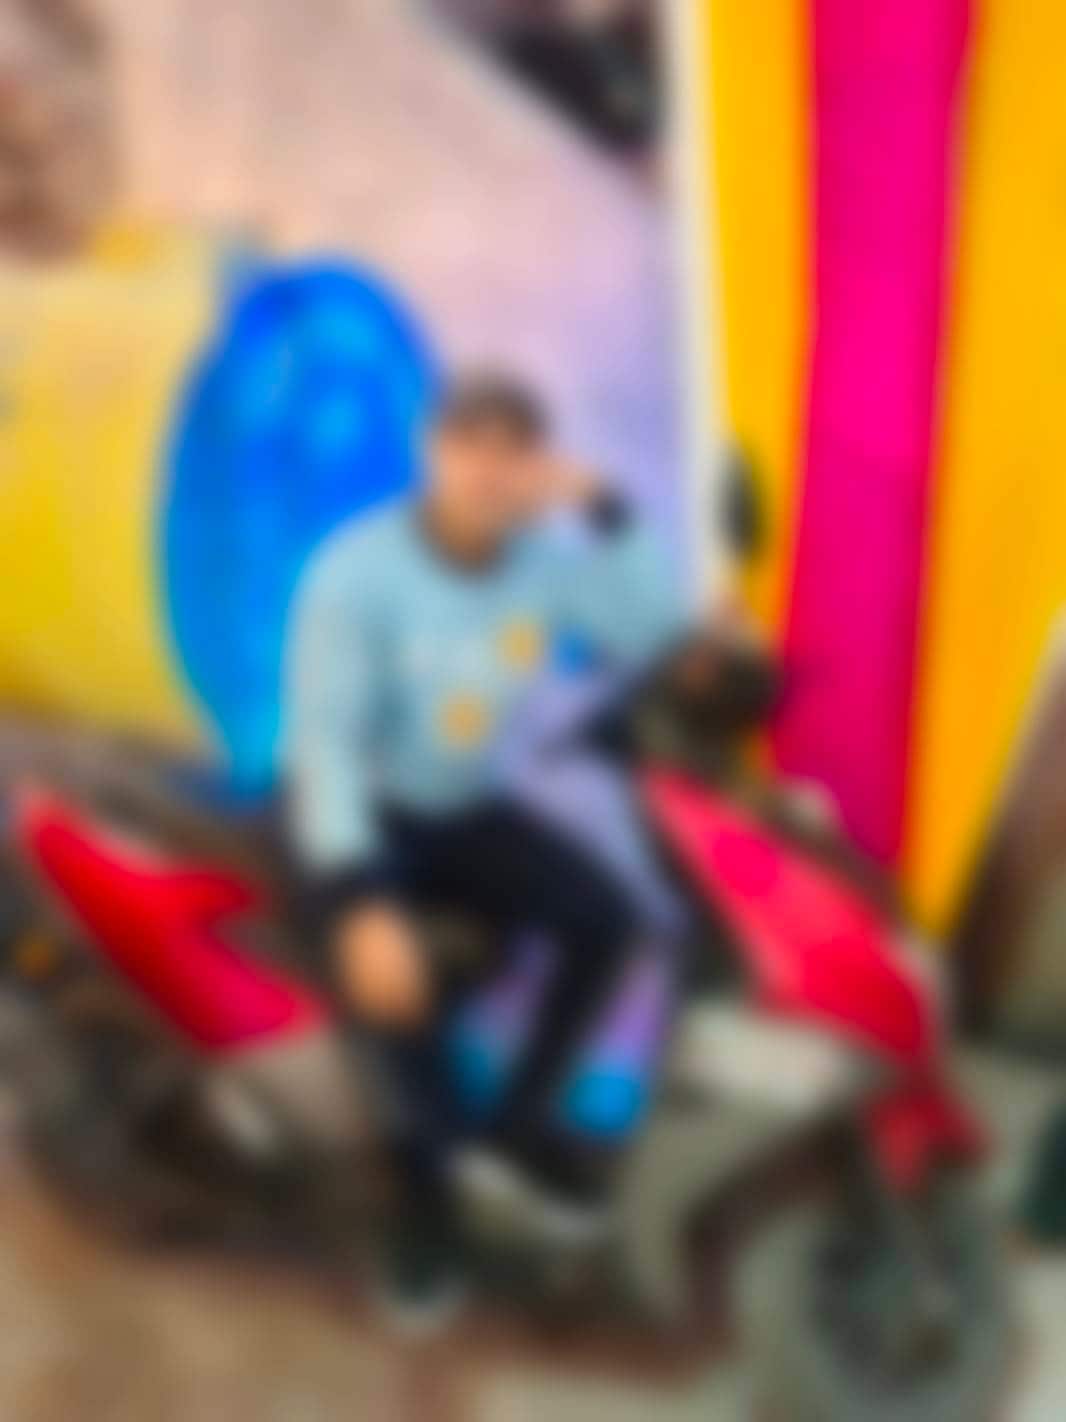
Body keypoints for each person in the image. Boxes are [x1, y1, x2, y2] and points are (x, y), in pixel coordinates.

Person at [284, 372, 685, 1321]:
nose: (489, 469)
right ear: (431, 450)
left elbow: (650, 626)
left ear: (536, 466)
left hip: (465, 806)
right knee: (401, 981)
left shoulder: (544, 565)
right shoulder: (356, 571)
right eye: (469, 444)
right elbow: (324, 744)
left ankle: (512, 1132)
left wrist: (603, 502)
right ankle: (424, 1203)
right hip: (360, 816)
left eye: (514, 450)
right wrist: (358, 899)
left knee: (610, 920)